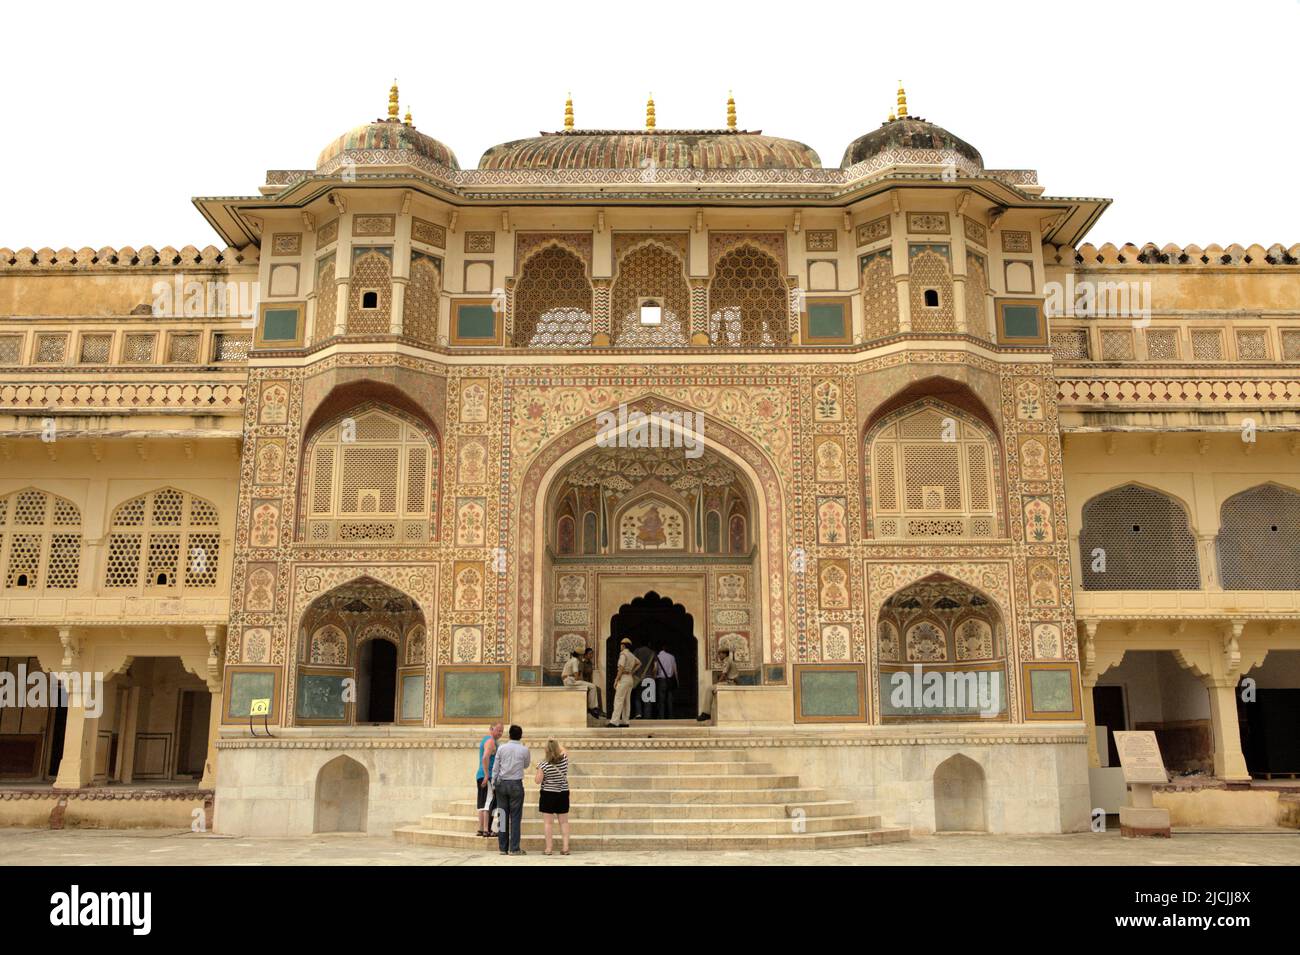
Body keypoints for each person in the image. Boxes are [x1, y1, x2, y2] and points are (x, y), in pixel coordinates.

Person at [491, 724, 531, 855]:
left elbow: (496, 768)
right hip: (516, 784)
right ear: (520, 736)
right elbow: (526, 765)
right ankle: (514, 848)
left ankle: (502, 847)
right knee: (515, 817)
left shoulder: (502, 748)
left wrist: (493, 783)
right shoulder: (524, 750)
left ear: (509, 735)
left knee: (502, 815)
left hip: (501, 784)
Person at [534, 738, 571, 856]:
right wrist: (555, 744)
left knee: (548, 823)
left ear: (546, 751)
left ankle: (549, 849)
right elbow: (563, 750)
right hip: (563, 793)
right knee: (564, 822)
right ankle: (565, 848)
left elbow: (537, 781)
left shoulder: (543, 764)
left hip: (548, 794)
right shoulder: (564, 760)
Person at [696, 646, 740, 722]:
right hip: (731, 682)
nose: (718, 656)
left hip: (730, 683)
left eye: (720, 654)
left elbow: (724, 674)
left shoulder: (727, 661)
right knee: (711, 688)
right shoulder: (729, 660)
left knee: (709, 688)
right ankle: (706, 713)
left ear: (724, 654)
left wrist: (718, 683)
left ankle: (706, 713)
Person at [475, 722, 503, 837]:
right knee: (489, 802)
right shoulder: (491, 741)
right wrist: (487, 775)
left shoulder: (486, 740)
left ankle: (481, 829)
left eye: (502, 731)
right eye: (498, 730)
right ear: (491, 729)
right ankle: (486, 829)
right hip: (487, 776)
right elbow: (485, 757)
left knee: (482, 803)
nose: (500, 733)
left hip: (481, 775)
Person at [562, 648, 603, 718]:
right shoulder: (575, 660)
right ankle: (592, 707)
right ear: (579, 655)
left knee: (591, 686)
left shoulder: (571, 660)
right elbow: (576, 674)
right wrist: (579, 680)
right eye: (581, 655)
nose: (582, 657)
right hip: (570, 681)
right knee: (593, 687)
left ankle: (593, 708)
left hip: (568, 680)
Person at [608, 637, 638, 727]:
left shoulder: (623, 655)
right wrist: (631, 672)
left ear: (623, 645)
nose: (620, 647)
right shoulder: (631, 655)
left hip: (624, 678)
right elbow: (639, 663)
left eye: (621, 645)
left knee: (618, 700)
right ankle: (625, 722)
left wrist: (616, 679)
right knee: (626, 701)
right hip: (630, 679)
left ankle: (614, 722)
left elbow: (620, 668)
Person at [631, 639, 662, 720]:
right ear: (649, 644)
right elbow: (655, 667)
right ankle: (647, 716)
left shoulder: (637, 651)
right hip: (649, 678)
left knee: (637, 696)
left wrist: (633, 674)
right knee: (648, 698)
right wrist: (654, 677)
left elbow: (632, 663)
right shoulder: (652, 653)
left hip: (639, 677)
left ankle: (638, 714)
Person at [655, 642, 678, 720]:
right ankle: (671, 717)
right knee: (670, 700)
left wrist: (654, 678)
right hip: (670, 680)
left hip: (661, 680)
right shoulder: (672, 657)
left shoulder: (658, 657)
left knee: (661, 700)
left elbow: (656, 669)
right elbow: (675, 671)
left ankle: (661, 717)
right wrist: (677, 682)